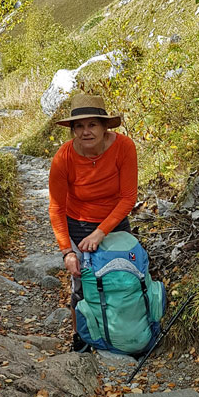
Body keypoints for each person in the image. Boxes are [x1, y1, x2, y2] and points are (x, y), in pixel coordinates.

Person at [48, 94, 138, 352]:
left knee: (122, 277)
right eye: (80, 126)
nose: (86, 132)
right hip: (78, 224)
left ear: (105, 126)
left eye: (92, 125)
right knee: (82, 284)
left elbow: (128, 197)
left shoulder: (124, 148)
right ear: (73, 130)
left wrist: (101, 232)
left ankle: (122, 334)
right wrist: (67, 251)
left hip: (114, 223)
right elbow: (56, 207)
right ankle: (82, 337)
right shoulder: (63, 158)